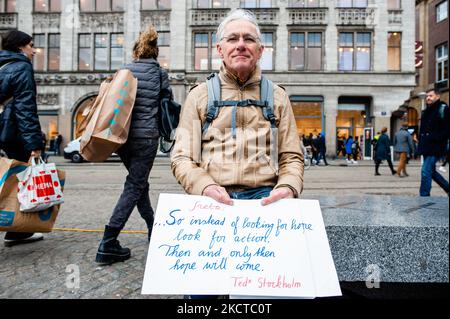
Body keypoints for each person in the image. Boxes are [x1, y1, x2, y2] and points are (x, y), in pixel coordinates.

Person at [171, 9, 303, 228]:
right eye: (232, 39)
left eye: (249, 39)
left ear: (260, 51)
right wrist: (204, 186)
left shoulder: (278, 96)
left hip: (266, 202)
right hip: (212, 200)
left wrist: (288, 187)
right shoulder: (199, 95)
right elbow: (182, 157)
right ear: (220, 50)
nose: (241, 44)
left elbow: (291, 156)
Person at [95, 26, 172, 264]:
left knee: (139, 184)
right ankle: (108, 242)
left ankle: (153, 226)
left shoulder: (124, 70)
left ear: (136, 52)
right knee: (134, 186)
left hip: (122, 137)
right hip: (146, 138)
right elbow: (167, 104)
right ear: (156, 52)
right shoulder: (159, 73)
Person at [0, 30, 44, 246]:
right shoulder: (22, 67)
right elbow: (26, 109)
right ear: (20, 47)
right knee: (22, 180)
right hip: (11, 133)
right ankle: (18, 230)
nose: (33, 50)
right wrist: (34, 145)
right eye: (30, 46)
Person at [417, 88, 449, 197]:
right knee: (431, 172)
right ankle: (448, 188)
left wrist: (435, 138)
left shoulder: (443, 108)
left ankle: (424, 196)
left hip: (436, 146)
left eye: (430, 96)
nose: (428, 98)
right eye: (427, 96)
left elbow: (447, 128)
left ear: (437, 96)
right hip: (426, 146)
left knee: (425, 171)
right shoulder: (426, 111)